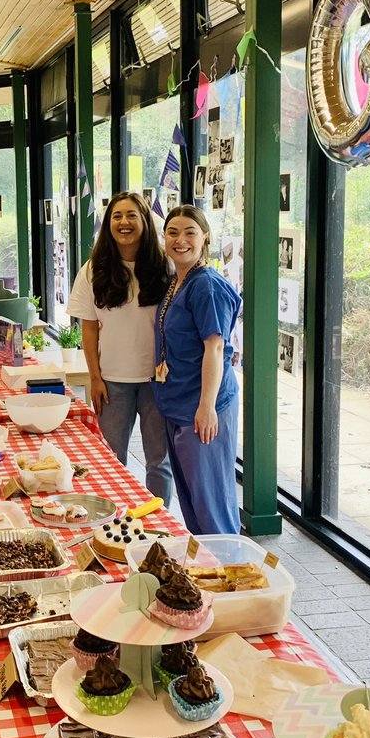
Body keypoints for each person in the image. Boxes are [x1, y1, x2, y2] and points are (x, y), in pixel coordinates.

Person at [67, 192, 174, 503]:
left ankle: (160, 525)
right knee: (111, 460)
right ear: (108, 223)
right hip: (113, 382)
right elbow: (88, 328)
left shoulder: (164, 266)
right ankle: (112, 525)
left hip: (159, 381)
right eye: (116, 216)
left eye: (131, 215)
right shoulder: (93, 270)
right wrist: (95, 378)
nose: (124, 222)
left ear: (144, 221)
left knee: (159, 462)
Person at [152, 205, 242, 535]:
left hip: (201, 409)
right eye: (172, 232)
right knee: (192, 502)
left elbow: (215, 348)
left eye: (190, 232)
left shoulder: (207, 286)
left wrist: (206, 408)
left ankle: (234, 575)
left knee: (211, 503)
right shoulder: (178, 281)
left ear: (205, 237)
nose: (180, 240)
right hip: (179, 405)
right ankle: (209, 573)